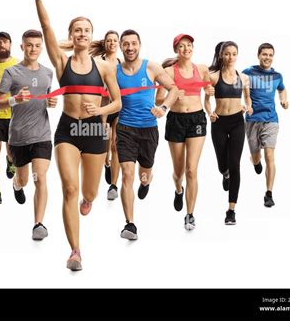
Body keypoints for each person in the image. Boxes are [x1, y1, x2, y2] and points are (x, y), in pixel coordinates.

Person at [33, 0, 121, 271]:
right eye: (77, 30)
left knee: (90, 192)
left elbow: (117, 103)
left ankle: (89, 199)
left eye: (86, 30)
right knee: (69, 188)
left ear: (91, 36)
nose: (82, 34)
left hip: (95, 131)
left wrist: (101, 110)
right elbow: (46, 28)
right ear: (71, 35)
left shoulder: (105, 67)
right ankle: (75, 251)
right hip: (68, 129)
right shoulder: (61, 61)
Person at [116, 29, 181, 240]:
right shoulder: (115, 71)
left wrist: (163, 108)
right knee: (126, 174)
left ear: (139, 45)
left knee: (143, 175)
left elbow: (174, 89)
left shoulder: (151, 67)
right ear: (120, 46)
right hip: (125, 128)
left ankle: (145, 183)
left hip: (148, 129)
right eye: (125, 44)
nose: (130, 47)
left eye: (133, 43)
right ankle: (130, 224)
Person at [0, 29, 56, 240]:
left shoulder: (48, 73)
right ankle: (16, 184)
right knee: (24, 179)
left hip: (42, 135)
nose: (33, 49)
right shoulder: (11, 73)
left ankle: (38, 224)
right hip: (18, 135)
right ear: (22, 47)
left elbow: (47, 97)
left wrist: (50, 102)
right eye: (29, 45)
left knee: (40, 177)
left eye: (37, 45)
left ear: (42, 48)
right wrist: (15, 100)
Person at [158, 34, 214, 231]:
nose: (186, 49)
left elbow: (209, 90)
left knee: (192, 169)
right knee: (179, 171)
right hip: (176, 121)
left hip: (197, 119)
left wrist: (209, 94)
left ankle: (190, 215)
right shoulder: (168, 72)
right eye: (181, 46)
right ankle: (178, 188)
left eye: (189, 45)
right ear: (176, 50)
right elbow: (158, 100)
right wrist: (172, 97)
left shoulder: (202, 69)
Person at [205, 41, 252, 225]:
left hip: (237, 122)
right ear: (221, 55)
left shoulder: (244, 78)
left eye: (234, 54)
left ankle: (231, 210)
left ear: (237, 55)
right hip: (219, 123)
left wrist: (248, 107)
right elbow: (207, 101)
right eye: (227, 54)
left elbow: (248, 99)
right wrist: (210, 112)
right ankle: (224, 174)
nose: (230, 57)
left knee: (235, 164)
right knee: (222, 165)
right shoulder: (213, 76)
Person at [243, 43, 288, 207]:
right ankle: (255, 161)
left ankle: (269, 193)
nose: (267, 57)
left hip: (271, 119)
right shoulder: (247, 72)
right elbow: (236, 88)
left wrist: (283, 99)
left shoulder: (277, 75)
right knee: (256, 157)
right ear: (258, 55)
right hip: (252, 120)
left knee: (270, 156)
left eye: (270, 55)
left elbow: (282, 89)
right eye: (264, 54)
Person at [0, 31, 19, 204]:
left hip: (14, 114)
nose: (2, 45)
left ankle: (10, 161)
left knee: (11, 151)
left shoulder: (17, 65)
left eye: (5, 42)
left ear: (10, 44)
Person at [90, 30, 121, 200]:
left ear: (118, 44)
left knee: (116, 143)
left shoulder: (121, 63)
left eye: (115, 40)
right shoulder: (97, 62)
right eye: (109, 40)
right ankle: (106, 163)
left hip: (116, 108)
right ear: (105, 43)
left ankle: (114, 185)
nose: (112, 43)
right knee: (104, 142)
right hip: (101, 108)